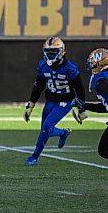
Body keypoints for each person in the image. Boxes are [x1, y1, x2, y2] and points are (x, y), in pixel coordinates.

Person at [23, 36, 85, 166]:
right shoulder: (43, 66)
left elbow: (79, 88)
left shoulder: (69, 68)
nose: (50, 55)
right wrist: (30, 105)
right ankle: (62, 134)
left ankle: (35, 155)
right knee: (44, 131)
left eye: (54, 52)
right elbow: (38, 86)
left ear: (62, 51)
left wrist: (81, 108)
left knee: (47, 127)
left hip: (65, 102)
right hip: (50, 101)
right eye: (48, 51)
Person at [72, 48, 108, 162]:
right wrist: (85, 105)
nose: (91, 64)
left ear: (100, 63)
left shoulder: (100, 79)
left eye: (93, 61)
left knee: (105, 150)